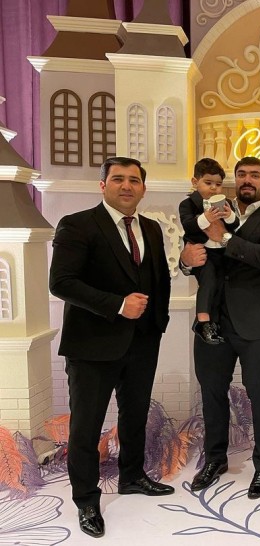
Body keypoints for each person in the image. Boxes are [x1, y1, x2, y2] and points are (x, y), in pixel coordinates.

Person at [49, 157, 173, 539]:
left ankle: (132, 477)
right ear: (103, 185)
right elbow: (61, 282)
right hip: (92, 345)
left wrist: (158, 324)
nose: (126, 185)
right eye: (118, 179)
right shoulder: (77, 224)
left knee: (134, 417)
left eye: (134, 180)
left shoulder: (150, 228)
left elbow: (159, 279)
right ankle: (87, 501)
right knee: (86, 427)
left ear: (143, 188)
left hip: (143, 342)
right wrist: (117, 304)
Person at [180, 157, 260, 500]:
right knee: (212, 392)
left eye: (255, 175)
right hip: (213, 320)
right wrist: (185, 262)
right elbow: (196, 248)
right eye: (241, 174)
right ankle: (215, 460)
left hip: (257, 321)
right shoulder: (215, 208)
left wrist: (226, 238)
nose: (247, 180)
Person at [179, 158, 240, 344]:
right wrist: (206, 218)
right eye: (208, 183)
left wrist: (229, 216)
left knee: (219, 284)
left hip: (221, 253)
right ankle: (203, 321)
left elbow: (235, 225)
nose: (214, 188)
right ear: (195, 181)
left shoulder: (226, 203)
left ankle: (213, 323)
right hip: (202, 252)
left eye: (218, 184)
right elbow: (189, 226)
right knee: (208, 281)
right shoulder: (188, 204)